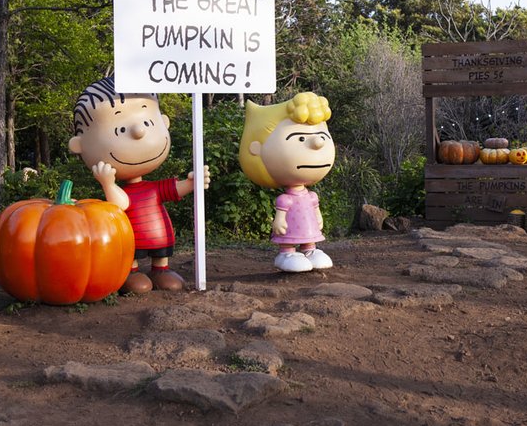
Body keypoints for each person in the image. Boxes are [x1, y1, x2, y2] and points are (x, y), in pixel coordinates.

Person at [68, 76, 210, 294]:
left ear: (164, 121)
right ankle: (131, 272)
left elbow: (173, 190)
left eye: (148, 122)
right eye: (120, 130)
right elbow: (121, 204)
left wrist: (193, 183)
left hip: (159, 236)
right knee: (131, 259)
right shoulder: (123, 191)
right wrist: (108, 184)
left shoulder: (153, 189)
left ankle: (160, 269)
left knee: (162, 261)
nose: (139, 131)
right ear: (79, 145)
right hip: (131, 240)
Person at [239, 92, 336, 273]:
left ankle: (310, 249)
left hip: (308, 225)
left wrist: (319, 216)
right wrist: (278, 222)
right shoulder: (285, 199)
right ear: (257, 149)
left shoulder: (311, 196)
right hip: (289, 228)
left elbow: (315, 208)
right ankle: (286, 253)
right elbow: (281, 216)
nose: (318, 142)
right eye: (300, 138)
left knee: (309, 234)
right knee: (289, 236)